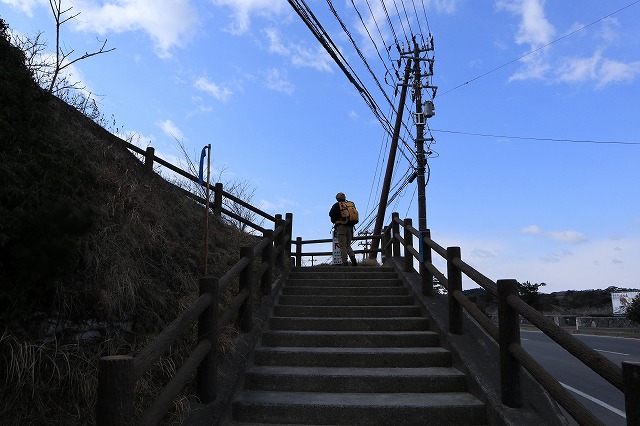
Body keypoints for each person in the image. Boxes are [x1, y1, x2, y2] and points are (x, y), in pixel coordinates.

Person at [329, 192, 358, 266]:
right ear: (344, 197)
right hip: (350, 227)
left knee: (342, 245)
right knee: (348, 245)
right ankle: (353, 260)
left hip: (341, 227)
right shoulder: (350, 204)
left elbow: (331, 214)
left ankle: (345, 262)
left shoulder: (336, 205)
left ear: (337, 198)